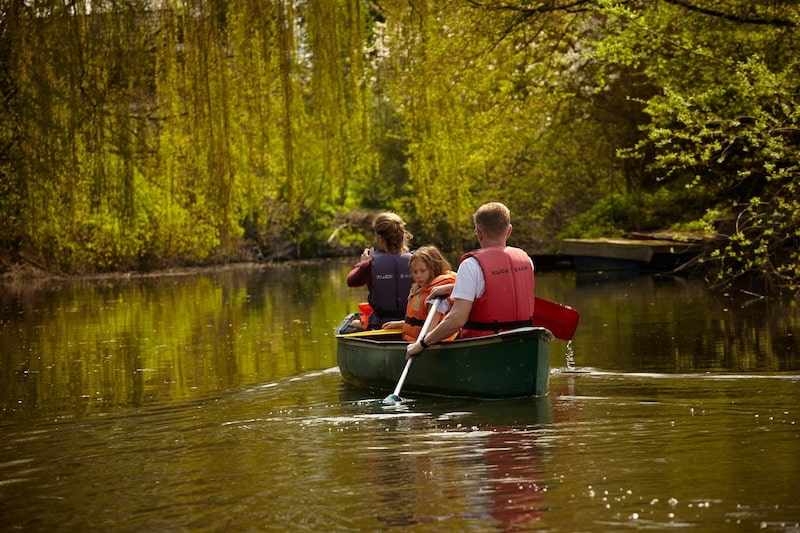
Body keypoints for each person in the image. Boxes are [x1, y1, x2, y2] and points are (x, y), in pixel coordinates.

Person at [406, 202, 535, 358]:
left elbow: (457, 320)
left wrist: (422, 344)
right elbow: (498, 290)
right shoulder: (526, 261)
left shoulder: (471, 265)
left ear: (478, 233)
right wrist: (453, 288)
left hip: (485, 349)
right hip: (524, 345)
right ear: (509, 231)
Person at [346, 212, 414, 330]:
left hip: (380, 325)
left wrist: (362, 263)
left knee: (351, 326)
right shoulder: (417, 262)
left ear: (380, 238)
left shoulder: (369, 265)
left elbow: (351, 281)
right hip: (412, 322)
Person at [382, 245, 458, 342]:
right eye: (415, 272)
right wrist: (401, 324)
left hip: (428, 344)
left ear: (434, 269)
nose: (418, 276)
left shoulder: (437, 295)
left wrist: (420, 345)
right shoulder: (419, 289)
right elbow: (418, 321)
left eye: (422, 271)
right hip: (412, 340)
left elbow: (430, 329)